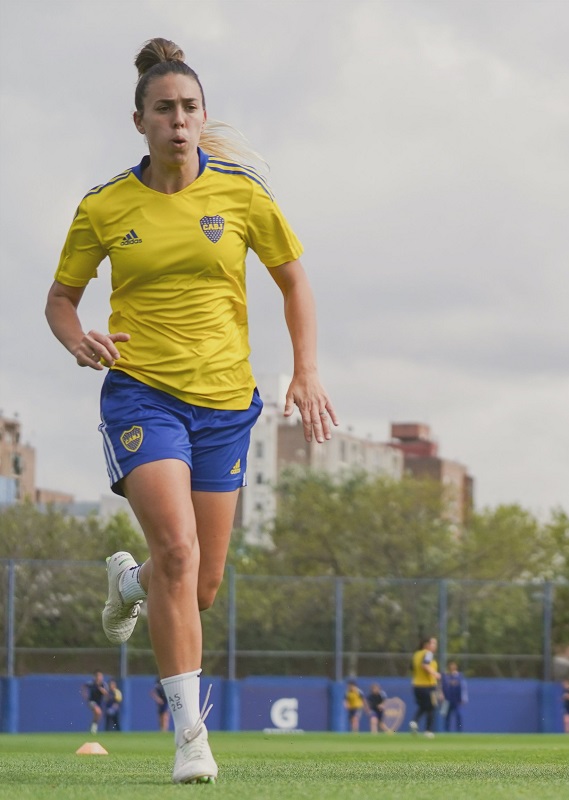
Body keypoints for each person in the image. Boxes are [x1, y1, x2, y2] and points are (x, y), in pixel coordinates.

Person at [46, 38, 336, 784]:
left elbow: (294, 281)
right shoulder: (105, 206)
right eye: (165, 109)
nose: (179, 121)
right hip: (142, 395)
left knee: (198, 584)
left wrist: (305, 371)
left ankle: (128, 582)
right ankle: (190, 739)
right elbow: (62, 300)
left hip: (225, 407)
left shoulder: (240, 194)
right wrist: (79, 339)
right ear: (138, 120)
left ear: (204, 118)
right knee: (178, 551)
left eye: (190, 109)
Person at [409, 637, 439, 736]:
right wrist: (435, 674)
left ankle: (414, 721)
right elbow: (425, 665)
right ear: (426, 645)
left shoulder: (416, 654)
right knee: (432, 707)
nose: (435, 646)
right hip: (428, 686)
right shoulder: (428, 653)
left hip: (416, 686)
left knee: (422, 707)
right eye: (433, 643)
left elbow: (412, 668)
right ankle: (428, 731)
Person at [440, 661, 466, 733]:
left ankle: (459, 730)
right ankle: (446, 731)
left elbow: (463, 687)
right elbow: (442, 686)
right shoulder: (445, 676)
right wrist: (441, 694)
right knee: (446, 716)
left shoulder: (460, 676)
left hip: (457, 700)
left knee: (458, 715)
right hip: (447, 699)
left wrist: (463, 698)